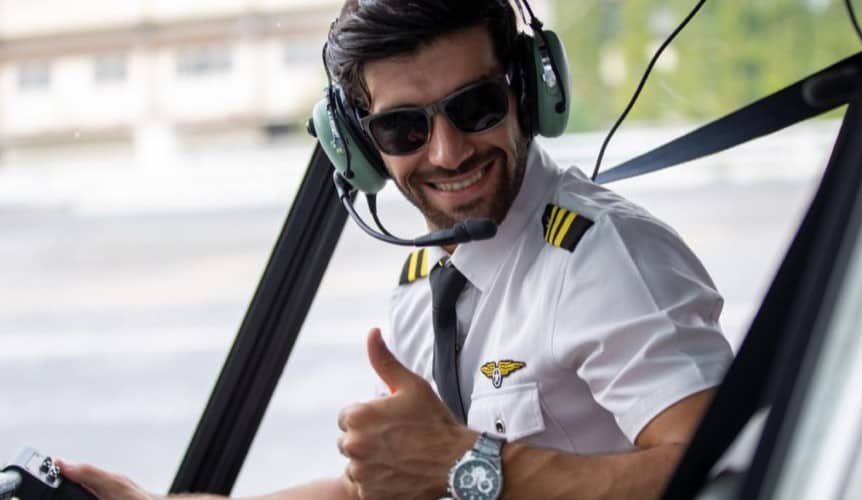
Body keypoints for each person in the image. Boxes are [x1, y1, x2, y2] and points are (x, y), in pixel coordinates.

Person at [58, 1, 733, 499]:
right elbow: (372, 492)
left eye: (475, 106)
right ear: (358, 148)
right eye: (403, 128)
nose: (448, 152)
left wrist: (473, 467)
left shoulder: (605, 261)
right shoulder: (424, 285)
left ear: (527, 91)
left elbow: (723, 473)